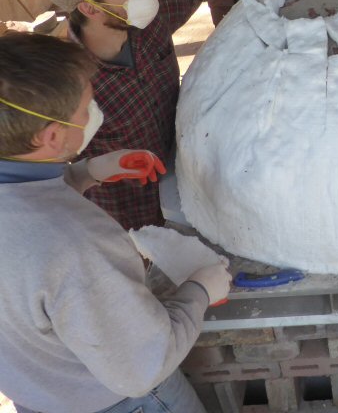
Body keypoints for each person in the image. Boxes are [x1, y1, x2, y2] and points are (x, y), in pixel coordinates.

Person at [44, 0, 338, 231]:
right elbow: (47, 173)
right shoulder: (63, 84)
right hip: (129, 215)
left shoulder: (151, 18)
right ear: (90, 9)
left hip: (190, 174)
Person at [0, 32, 232, 413]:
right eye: (85, 109)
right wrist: (200, 290)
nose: (94, 115)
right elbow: (144, 364)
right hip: (119, 402)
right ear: (52, 136)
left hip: (37, 394)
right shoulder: (76, 246)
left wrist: (88, 172)